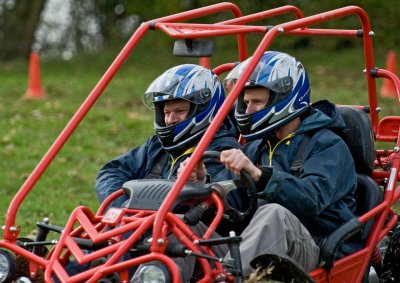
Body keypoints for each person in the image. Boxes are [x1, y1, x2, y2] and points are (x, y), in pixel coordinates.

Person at [185, 51, 359, 278]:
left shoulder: (327, 145)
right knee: (185, 228)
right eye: (245, 102)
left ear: (285, 98)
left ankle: (225, 278)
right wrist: (204, 185)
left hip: (318, 248)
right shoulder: (257, 146)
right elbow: (236, 208)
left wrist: (260, 175)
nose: (248, 110)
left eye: (256, 102)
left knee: (274, 213)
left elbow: (309, 201)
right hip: (257, 244)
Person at [96, 63, 244, 210]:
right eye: (166, 113)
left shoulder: (224, 153)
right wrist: (123, 207)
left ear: (203, 109)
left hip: (183, 229)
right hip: (139, 226)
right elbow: (111, 171)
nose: (170, 120)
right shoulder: (155, 146)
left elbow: (209, 203)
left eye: (179, 111)